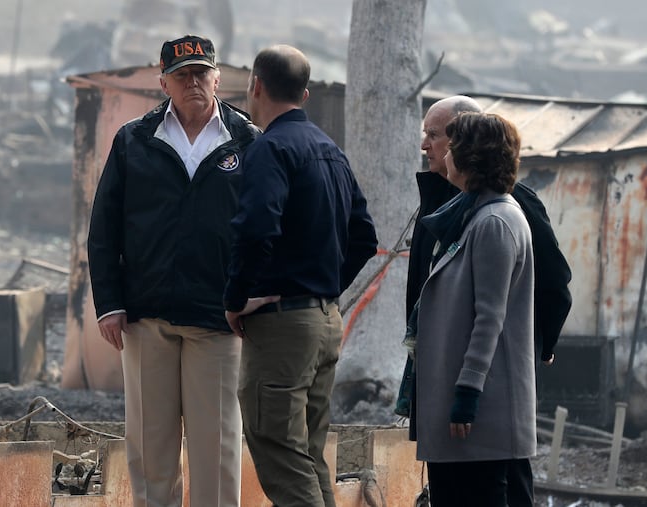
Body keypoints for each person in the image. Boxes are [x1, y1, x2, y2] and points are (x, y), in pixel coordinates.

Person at [87, 34, 260, 507]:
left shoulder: (247, 141)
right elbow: (104, 229)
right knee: (150, 448)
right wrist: (110, 305)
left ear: (218, 78)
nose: (193, 83)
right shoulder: (134, 141)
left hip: (219, 319)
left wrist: (253, 298)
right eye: (182, 75)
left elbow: (266, 230)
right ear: (164, 82)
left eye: (201, 73)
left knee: (218, 446)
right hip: (147, 316)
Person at [222, 44, 378, 507]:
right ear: (305, 94)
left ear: (255, 86)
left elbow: (255, 229)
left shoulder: (270, 149)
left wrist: (236, 297)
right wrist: (323, 289)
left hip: (283, 326)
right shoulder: (330, 150)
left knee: (281, 454)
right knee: (308, 458)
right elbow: (365, 238)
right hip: (325, 323)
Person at [402, 95, 572, 506]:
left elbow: (510, 303)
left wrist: (541, 343)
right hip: (449, 373)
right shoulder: (450, 205)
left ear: (471, 149)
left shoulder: (501, 214)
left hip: (485, 385)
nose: (427, 145)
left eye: (438, 136)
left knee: (496, 486)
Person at [415, 111, 535, 506]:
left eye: (453, 147)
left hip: (481, 415)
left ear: (471, 157)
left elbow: (490, 317)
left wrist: (467, 392)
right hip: (462, 412)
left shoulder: (495, 222)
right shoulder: (474, 215)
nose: (444, 154)